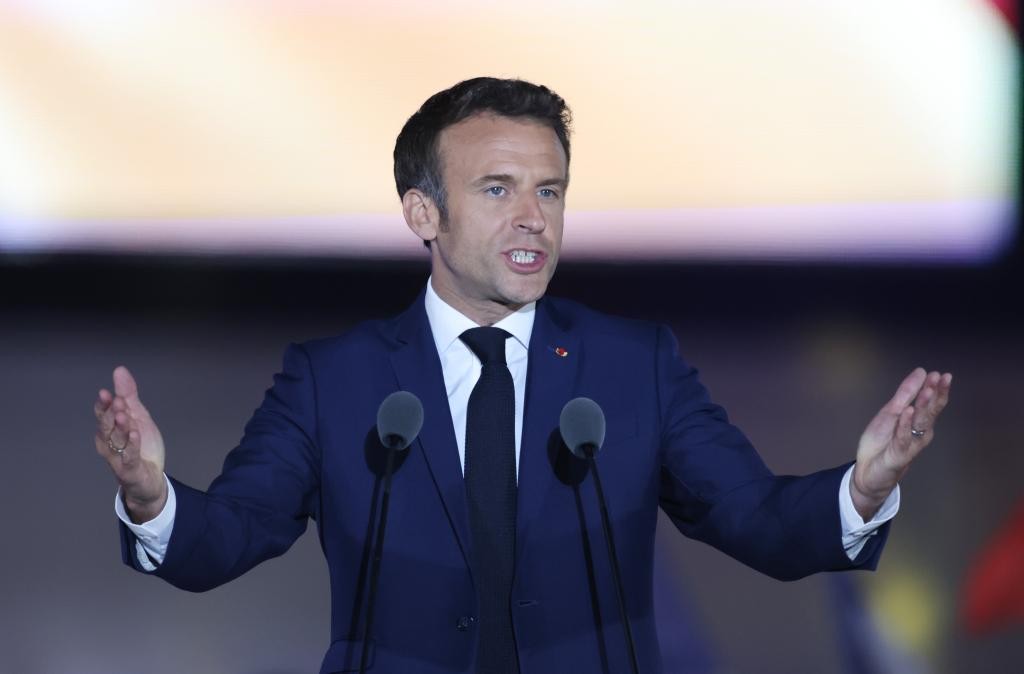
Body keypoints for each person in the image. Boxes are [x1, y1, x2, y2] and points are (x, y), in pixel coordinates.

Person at [93, 77, 953, 674]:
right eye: (498, 190)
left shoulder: (633, 366)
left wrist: (862, 488)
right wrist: (150, 495)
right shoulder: (336, 379)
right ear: (422, 213)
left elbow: (758, 521)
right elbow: (227, 537)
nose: (534, 218)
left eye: (550, 190)